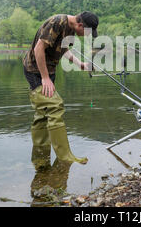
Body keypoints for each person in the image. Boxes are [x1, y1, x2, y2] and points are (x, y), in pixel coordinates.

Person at [23, 11, 98, 165]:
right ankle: (65, 156)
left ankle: (40, 156)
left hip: (49, 70)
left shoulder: (71, 29)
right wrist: (44, 78)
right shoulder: (57, 23)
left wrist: (80, 64)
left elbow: (64, 50)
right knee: (55, 106)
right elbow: (38, 49)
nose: (87, 36)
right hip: (35, 70)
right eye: (87, 32)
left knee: (43, 113)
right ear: (80, 25)